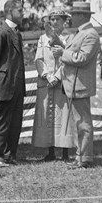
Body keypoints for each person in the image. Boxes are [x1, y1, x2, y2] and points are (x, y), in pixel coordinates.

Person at [52, 1, 101, 169]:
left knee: (83, 123)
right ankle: (80, 156)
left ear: (82, 16)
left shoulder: (91, 34)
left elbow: (82, 58)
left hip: (79, 85)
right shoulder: (77, 34)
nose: (70, 19)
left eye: (73, 15)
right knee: (77, 122)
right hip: (71, 84)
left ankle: (86, 158)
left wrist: (62, 53)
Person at [0, 0, 26, 168]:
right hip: (4, 85)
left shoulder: (17, 34)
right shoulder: (1, 33)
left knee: (15, 122)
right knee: (3, 122)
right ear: (9, 12)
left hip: (17, 86)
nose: (23, 14)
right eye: (20, 11)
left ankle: (10, 155)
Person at [32, 9, 75, 161]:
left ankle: (64, 152)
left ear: (64, 21)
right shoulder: (43, 38)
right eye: (52, 19)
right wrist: (47, 75)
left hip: (62, 82)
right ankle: (50, 152)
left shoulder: (70, 37)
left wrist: (57, 77)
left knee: (63, 117)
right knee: (48, 117)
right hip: (46, 81)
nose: (54, 22)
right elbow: (38, 59)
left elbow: (70, 60)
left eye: (57, 19)